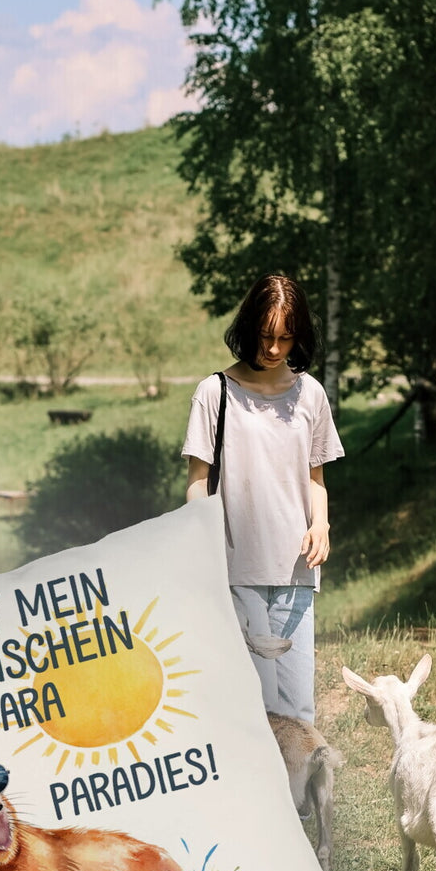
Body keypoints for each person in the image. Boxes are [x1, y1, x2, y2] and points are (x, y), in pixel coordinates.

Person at [182, 274, 343, 724]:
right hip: (237, 574)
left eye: (285, 339)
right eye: (266, 336)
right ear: (249, 327)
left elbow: (316, 478)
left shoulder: (310, 393)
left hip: (296, 573)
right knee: (255, 710)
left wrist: (321, 526)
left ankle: (300, 798)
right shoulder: (214, 394)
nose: (273, 349)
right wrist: (204, 542)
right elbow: (198, 482)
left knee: (298, 713)